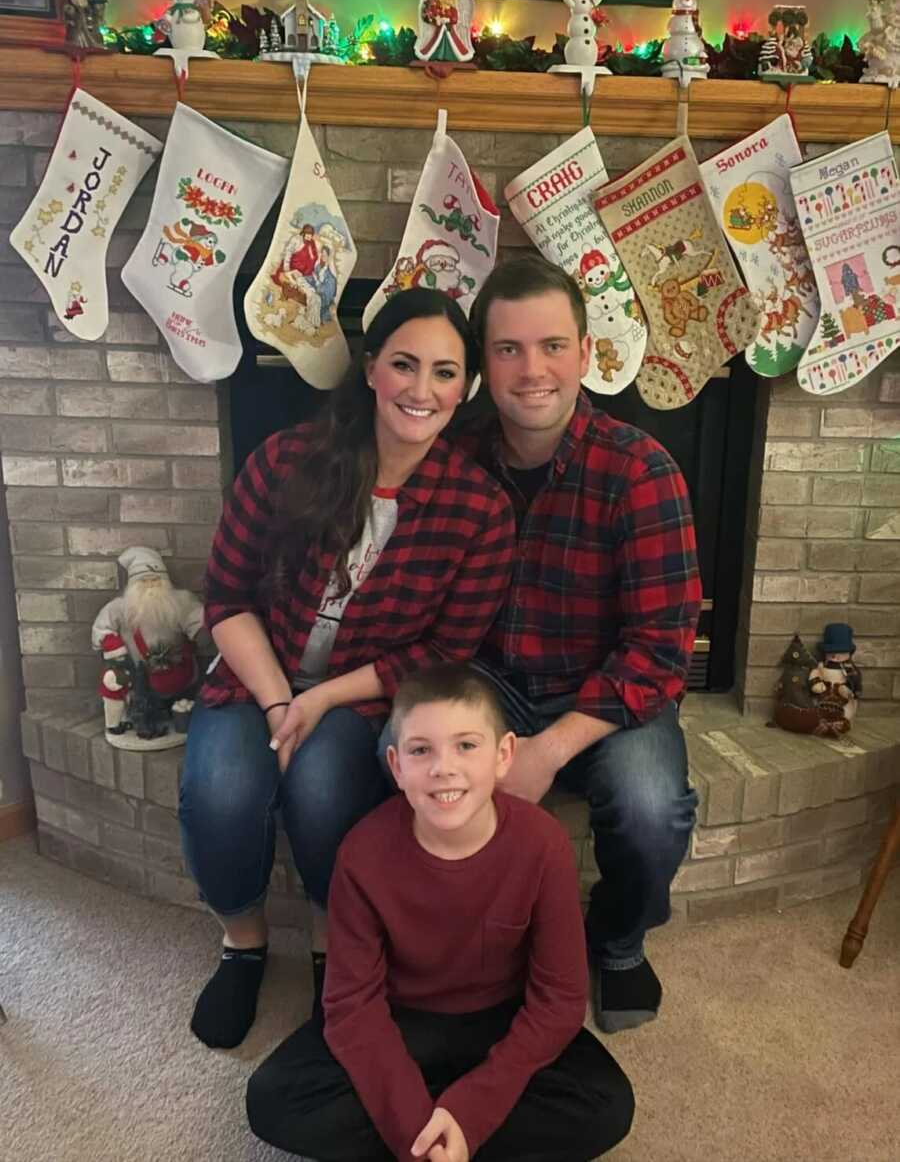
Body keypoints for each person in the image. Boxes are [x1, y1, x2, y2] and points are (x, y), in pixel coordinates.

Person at [180, 288, 516, 1050]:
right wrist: (276, 704)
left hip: (362, 695)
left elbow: (442, 653)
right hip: (254, 675)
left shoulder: (479, 511)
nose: (420, 390)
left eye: (442, 373)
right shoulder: (285, 462)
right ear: (370, 371)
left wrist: (323, 697)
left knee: (326, 790)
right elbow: (227, 598)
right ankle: (243, 944)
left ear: (464, 389)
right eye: (403, 365)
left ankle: (341, 952)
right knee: (222, 792)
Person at [246, 663, 635, 1161]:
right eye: (421, 750)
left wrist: (473, 1112)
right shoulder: (363, 853)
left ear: (504, 756)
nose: (443, 768)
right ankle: (435, 1140)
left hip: (501, 1020)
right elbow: (350, 1008)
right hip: (400, 1020)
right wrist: (411, 1124)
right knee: (274, 1100)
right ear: (397, 765)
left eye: (466, 746)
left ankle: (450, 1135)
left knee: (607, 1105)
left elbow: (558, 1001)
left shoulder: (544, 846)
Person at [461, 253, 702, 1034]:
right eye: (508, 350)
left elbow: (661, 650)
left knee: (649, 807)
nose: (533, 370)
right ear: (484, 365)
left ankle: (619, 940)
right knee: (397, 759)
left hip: (606, 689)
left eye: (553, 346)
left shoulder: (641, 470)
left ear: (587, 355)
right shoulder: (453, 457)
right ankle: (467, 949)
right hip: (485, 679)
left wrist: (547, 750)